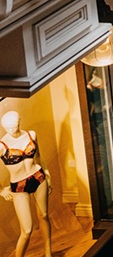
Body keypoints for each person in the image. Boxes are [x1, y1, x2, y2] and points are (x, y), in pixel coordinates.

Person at [0, 110, 52, 257]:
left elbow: (39, 157)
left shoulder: (31, 135)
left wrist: (48, 175)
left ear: (20, 121)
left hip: (38, 177)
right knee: (27, 230)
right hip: (19, 186)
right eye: (8, 128)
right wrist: (1, 190)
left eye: (15, 126)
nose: (12, 130)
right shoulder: (2, 145)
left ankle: (48, 253)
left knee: (44, 215)